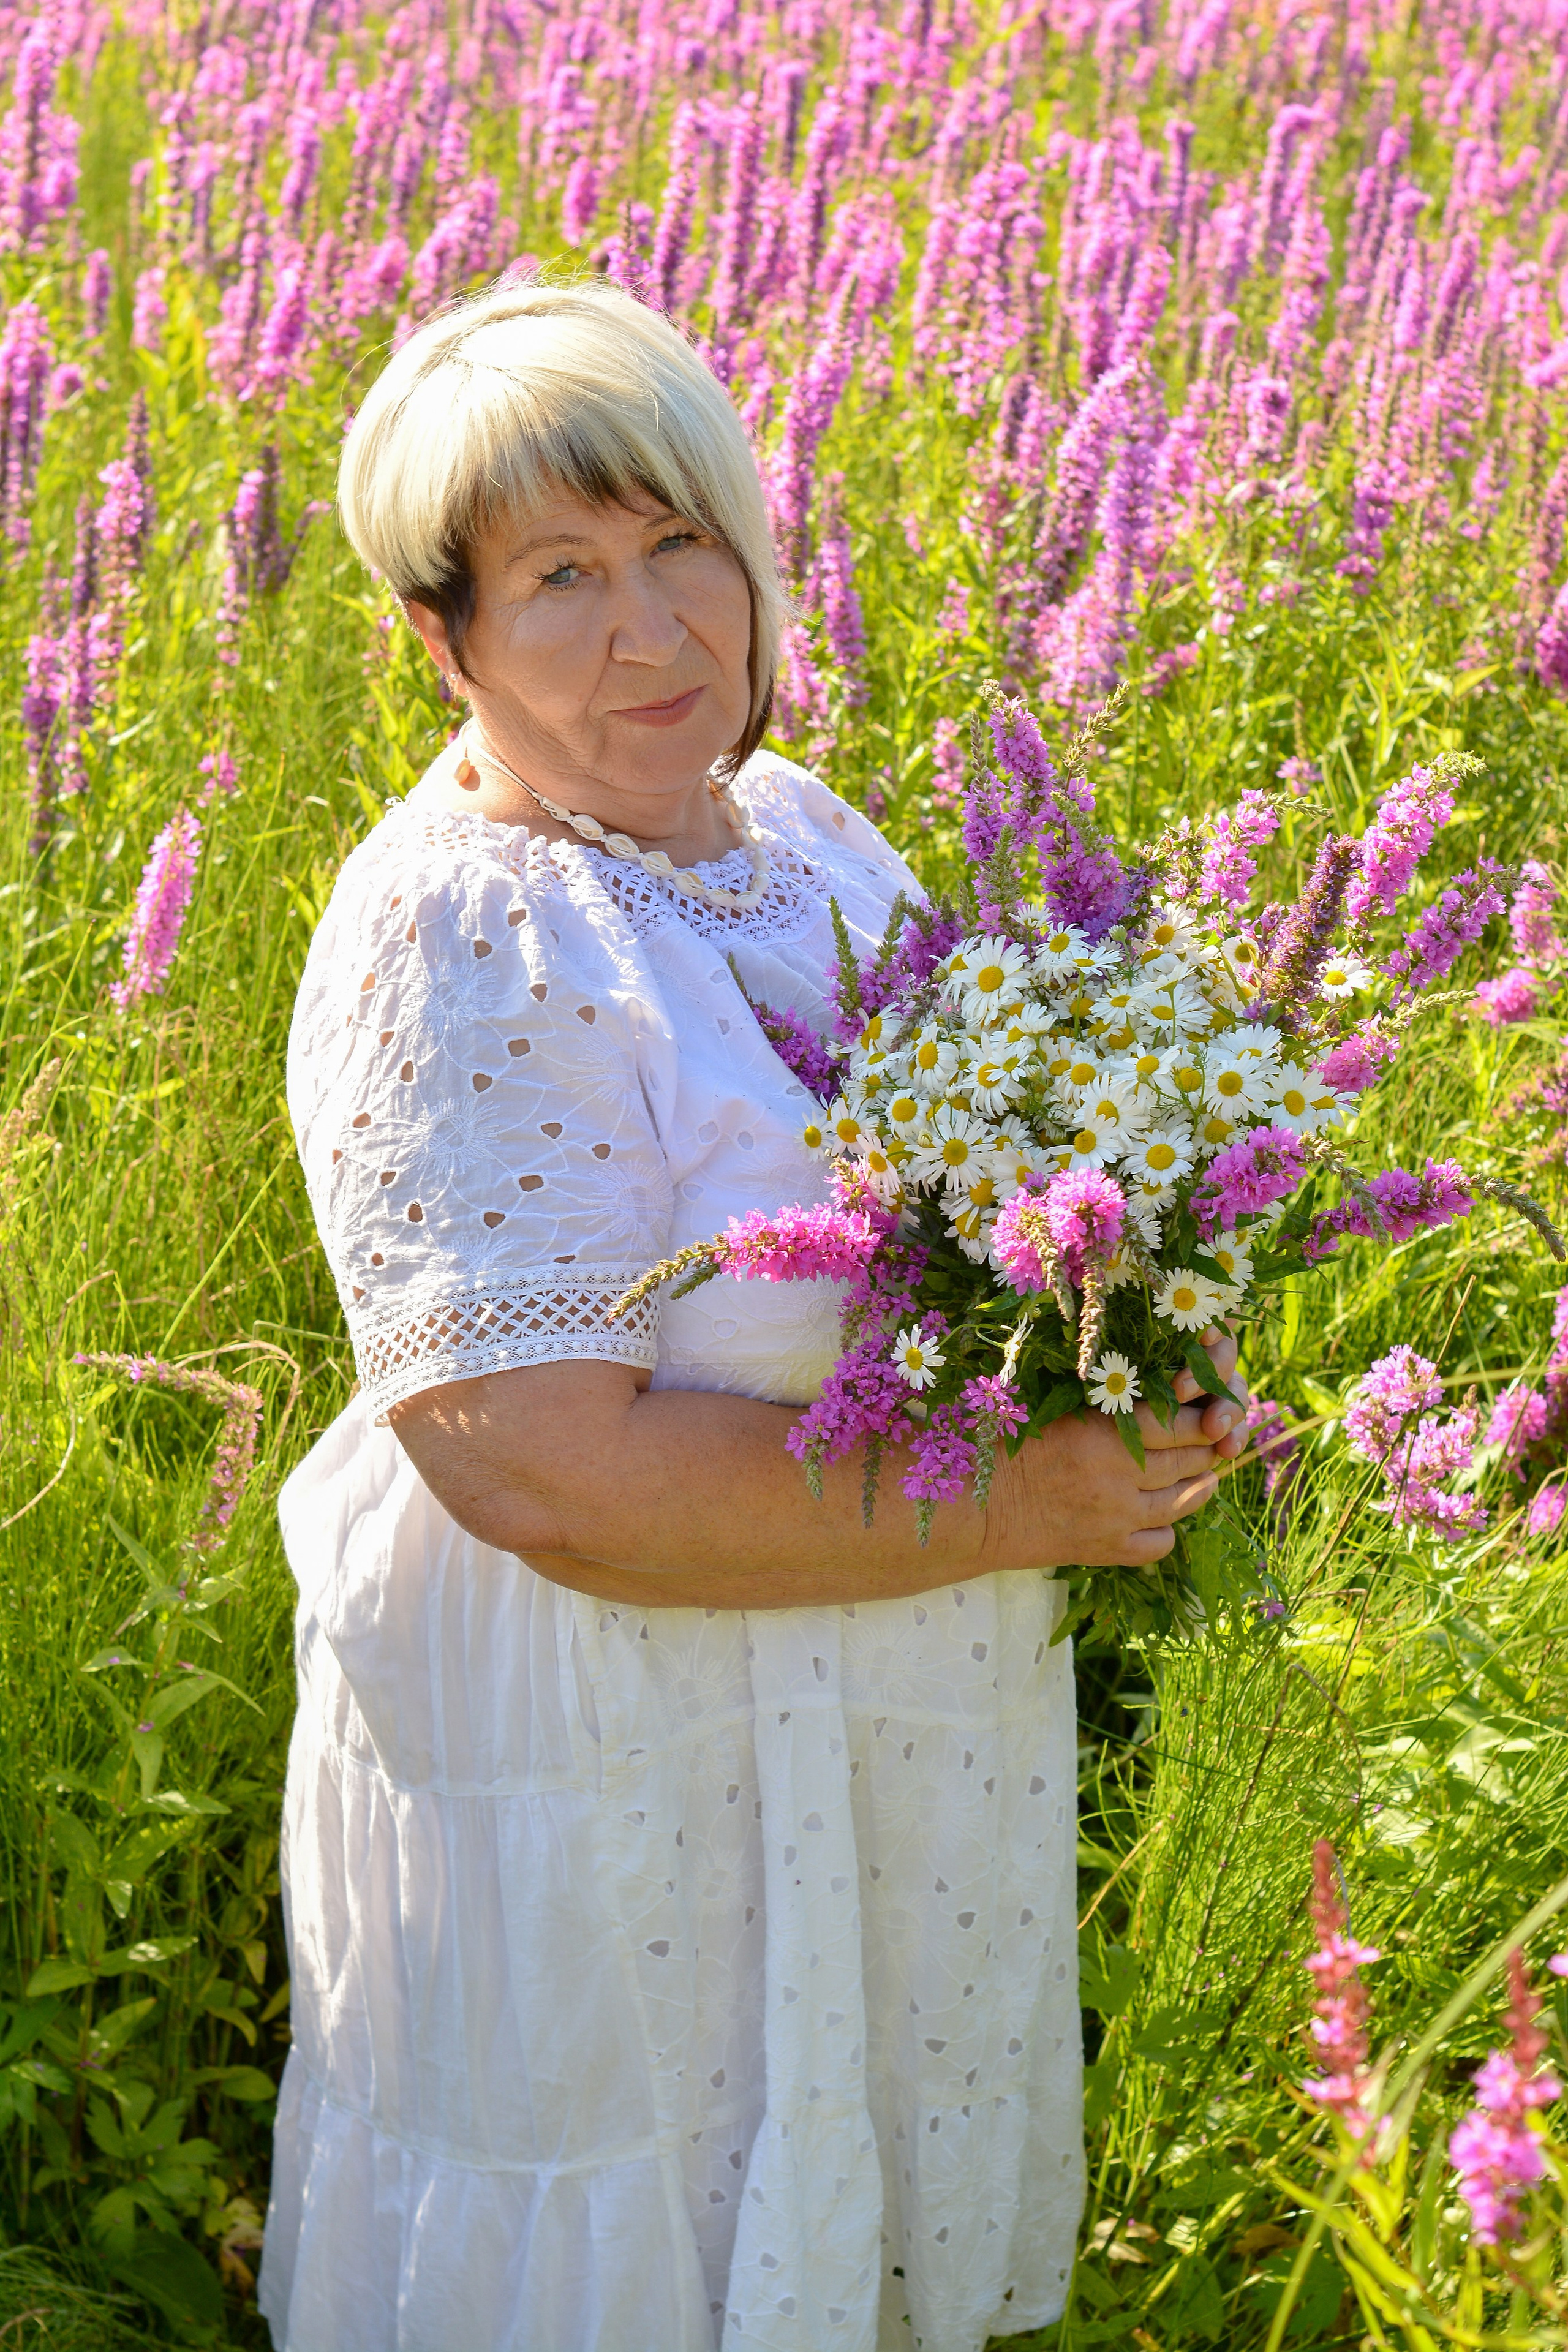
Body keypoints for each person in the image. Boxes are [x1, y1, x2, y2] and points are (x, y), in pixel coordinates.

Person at [257, 274, 1246, 2352]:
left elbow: (981, 1188)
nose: (650, 629)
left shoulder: (796, 836)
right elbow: (539, 1466)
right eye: (559, 576)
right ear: (436, 635)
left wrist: (1137, 1324)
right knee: (639, 2253)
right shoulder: (466, 926)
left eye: (681, 543)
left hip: (861, 1745)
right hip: (620, 1773)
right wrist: (1015, 1505)